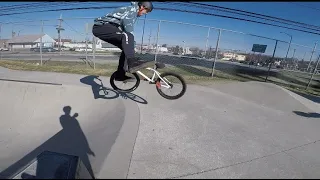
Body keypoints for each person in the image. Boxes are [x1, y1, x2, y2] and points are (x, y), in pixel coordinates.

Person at [92, 2, 154, 81]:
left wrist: (131, 45)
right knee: (127, 35)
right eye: (146, 11)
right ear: (142, 7)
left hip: (110, 28)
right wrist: (131, 43)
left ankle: (120, 75)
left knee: (126, 48)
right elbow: (128, 29)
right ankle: (132, 63)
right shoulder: (132, 11)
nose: (145, 13)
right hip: (101, 27)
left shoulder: (133, 12)